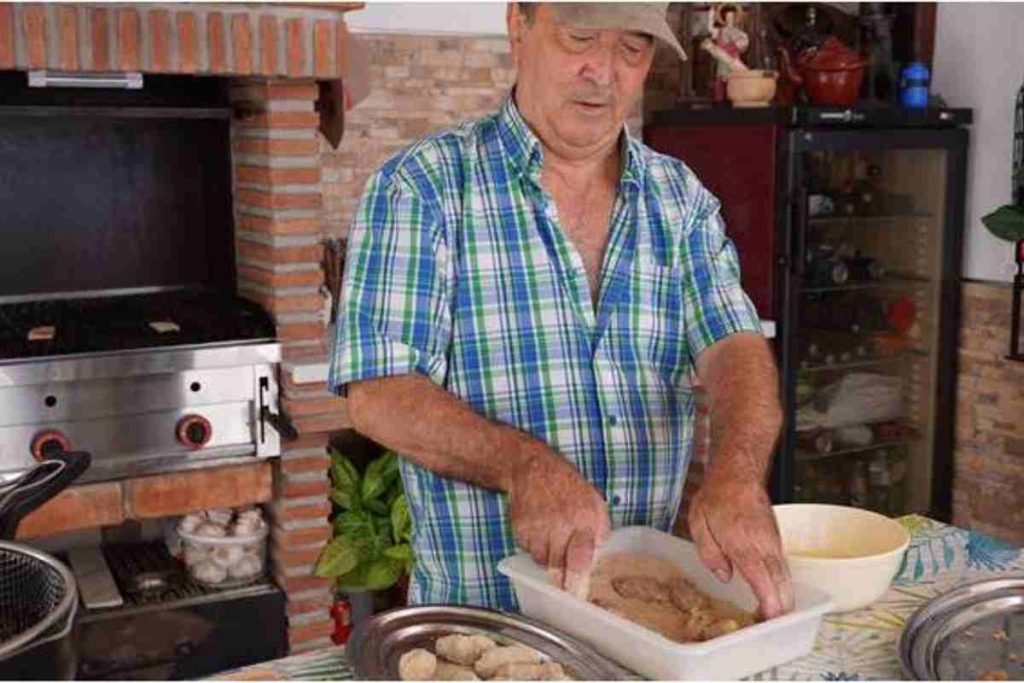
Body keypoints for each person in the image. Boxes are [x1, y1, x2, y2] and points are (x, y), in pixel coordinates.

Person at [328, 2, 794, 620]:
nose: (602, 71)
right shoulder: (423, 187)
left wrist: (737, 474)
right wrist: (524, 467)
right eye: (580, 37)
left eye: (631, 48)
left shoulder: (679, 198)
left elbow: (733, 345)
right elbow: (379, 391)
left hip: (641, 623)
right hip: (487, 630)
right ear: (518, 27)